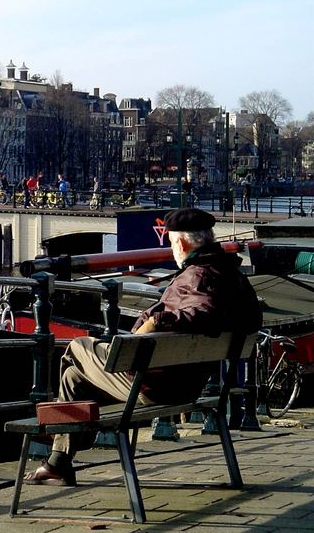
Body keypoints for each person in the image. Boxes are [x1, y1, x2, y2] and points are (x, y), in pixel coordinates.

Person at [24, 207, 262, 486]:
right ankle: (58, 460)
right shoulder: (232, 274)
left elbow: (202, 313)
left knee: (78, 347)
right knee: (74, 376)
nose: (172, 249)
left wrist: (155, 319)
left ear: (182, 243)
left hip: (156, 388)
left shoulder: (198, 276)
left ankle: (59, 429)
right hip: (188, 384)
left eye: (172, 243)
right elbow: (248, 317)